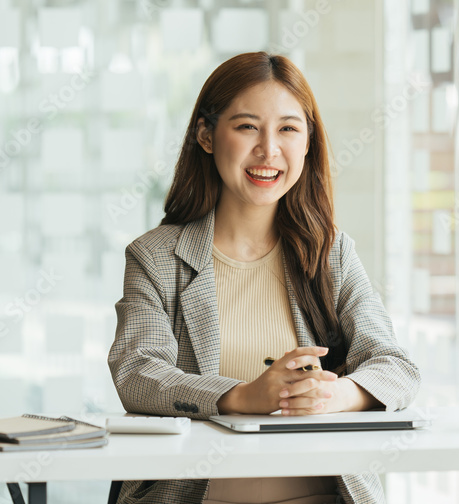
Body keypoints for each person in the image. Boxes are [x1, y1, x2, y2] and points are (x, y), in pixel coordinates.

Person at [107, 51, 420, 504]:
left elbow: (397, 368)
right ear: (207, 136)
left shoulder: (331, 252)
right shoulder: (155, 257)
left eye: (289, 129)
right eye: (247, 126)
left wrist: (332, 396)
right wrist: (241, 396)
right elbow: (137, 374)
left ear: (308, 142)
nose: (269, 150)